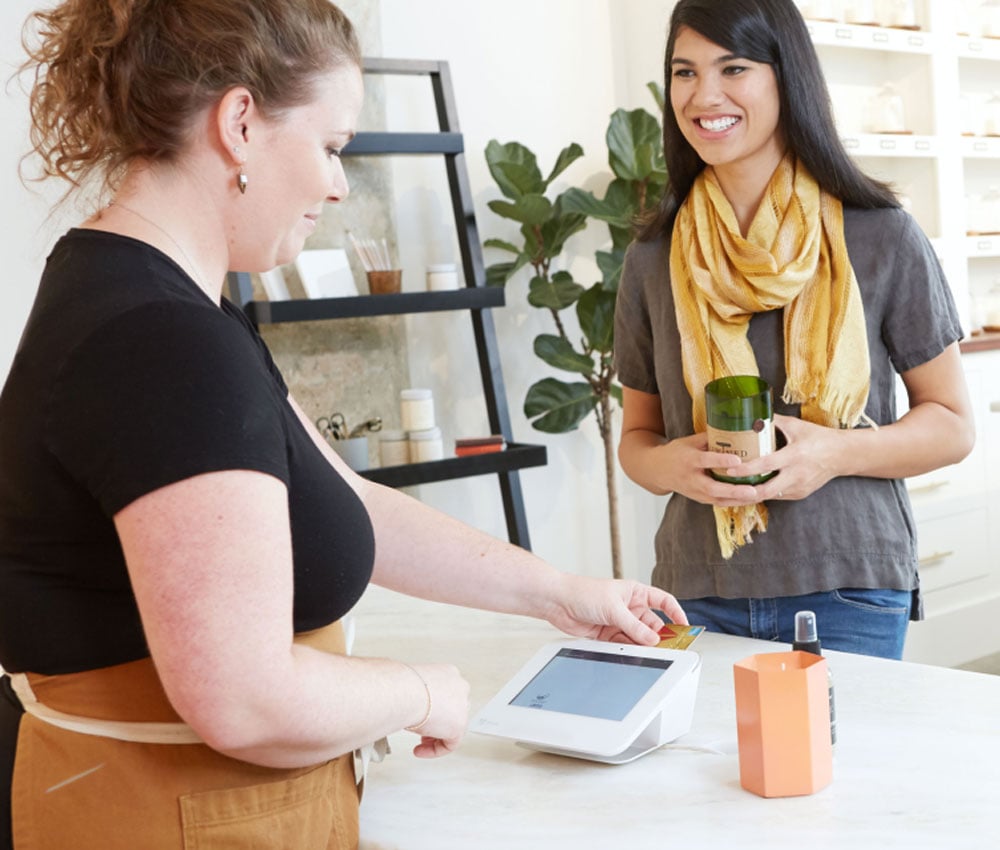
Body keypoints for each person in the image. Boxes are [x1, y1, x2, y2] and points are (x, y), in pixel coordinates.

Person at [0, 1, 688, 847]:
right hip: (166, 817)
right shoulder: (163, 341)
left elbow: (348, 499)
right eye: (331, 148)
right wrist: (420, 690)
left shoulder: (159, 300)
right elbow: (244, 698)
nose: (337, 184)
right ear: (240, 124)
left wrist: (560, 595)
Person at [615, 0, 974, 661]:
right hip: (696, 590)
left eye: (734, 68)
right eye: (685, 72)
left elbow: (953, 425)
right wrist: (675, 466)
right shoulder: (653, 258)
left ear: (787, 77)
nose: (704, 95)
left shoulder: (879, 236)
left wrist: (830, 454)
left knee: (841, 767)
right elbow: (636, 442)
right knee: (699, 769)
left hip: (848, 587)